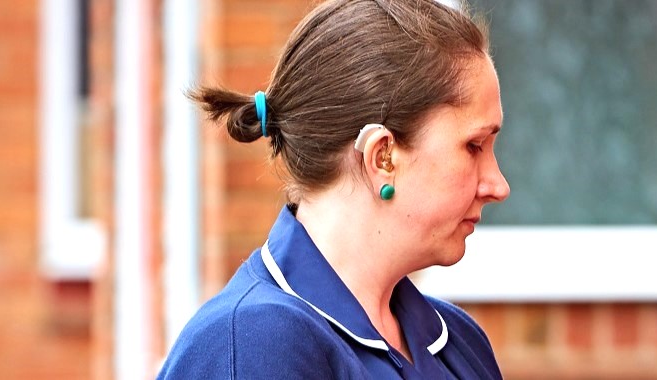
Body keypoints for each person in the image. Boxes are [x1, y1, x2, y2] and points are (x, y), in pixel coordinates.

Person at [157, 0, 508, 378]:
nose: (497, 185)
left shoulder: (458, 340)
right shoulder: (252, 346)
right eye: (474, 146)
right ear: (382, 157)